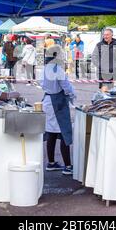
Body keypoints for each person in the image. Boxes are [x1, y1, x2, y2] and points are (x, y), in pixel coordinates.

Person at [42, 44, 76, 175]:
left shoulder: (45, 68)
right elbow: (66, 86)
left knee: (51, 133)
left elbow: (42, 84)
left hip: (47, 101)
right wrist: (73, 94)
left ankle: (51, 162)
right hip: (58, 103)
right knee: (63, 133)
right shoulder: (57, 69)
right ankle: (68, 166)